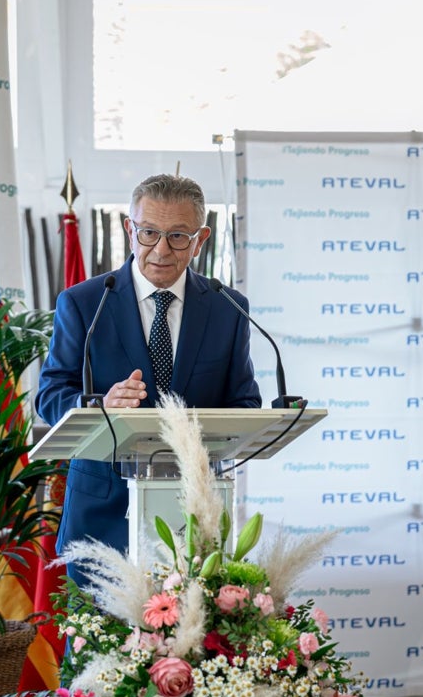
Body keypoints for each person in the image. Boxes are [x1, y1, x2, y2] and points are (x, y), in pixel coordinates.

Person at [36, 173, 262, 580]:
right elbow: (51, 395)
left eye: (178, 236)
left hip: (193, 518)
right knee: (96, 644)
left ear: (201, 238)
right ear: (129, 229)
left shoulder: (227, 309)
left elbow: (245, 404)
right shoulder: (85, 303)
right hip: (100, 519)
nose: (160, 249)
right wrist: (99, 406)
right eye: (148, 233)